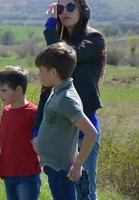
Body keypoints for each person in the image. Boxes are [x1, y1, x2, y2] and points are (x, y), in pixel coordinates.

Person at [34, 0, 106, 200]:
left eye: (71, 7)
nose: (65, 12)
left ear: (83, 10)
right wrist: (37, 129)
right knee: (64, 189)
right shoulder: (59, 42)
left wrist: (50, 27)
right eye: (60, 8)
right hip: (59, 130)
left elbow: (68, 56)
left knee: (84, 188)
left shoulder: (94, 39)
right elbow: (46, 90)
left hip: (84, 125)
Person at [34, 43, 98, 200]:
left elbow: (91, 133)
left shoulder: (66, 99)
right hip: (54, 166)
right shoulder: (57, 91)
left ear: (53, 72)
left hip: (62, 170)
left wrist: (77, 166)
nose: (38, 74)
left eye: (41, 70)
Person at [0, 66, 41, 200]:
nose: (0, 94)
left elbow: (42, 142)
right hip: (9, 173)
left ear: (19, 89)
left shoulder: (34, 113)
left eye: (4, 90)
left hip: (28, 175)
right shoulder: (7, 112)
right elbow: (2, 141)